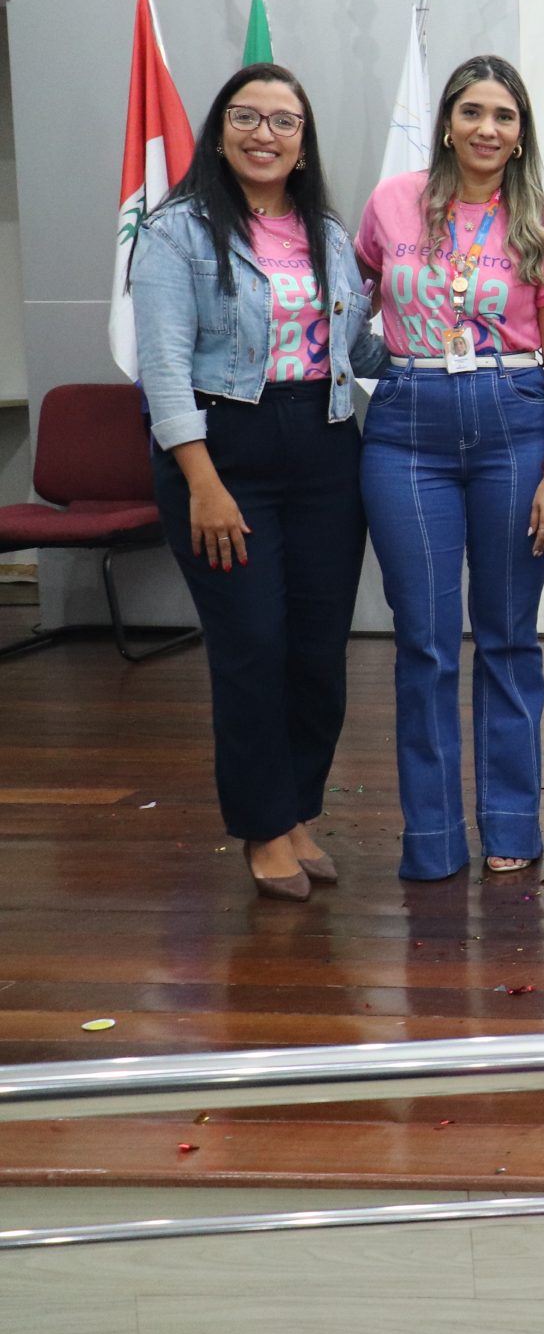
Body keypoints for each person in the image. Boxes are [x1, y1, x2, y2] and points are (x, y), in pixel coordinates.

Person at [128, 64, 386, 901]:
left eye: (283, 121)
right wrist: (202, 481)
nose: (264, 134)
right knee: (252, 647)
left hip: (326, 449)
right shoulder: (176, 233)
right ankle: (263, 827)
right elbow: (164, 369)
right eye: (247, 117)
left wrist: (450, 329)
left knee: (317, 650)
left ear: (304, 144)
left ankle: (297, 809)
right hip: (222, 451)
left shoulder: (329, 236)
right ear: (219, 131)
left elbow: (357, 349)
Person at [356, 56, 544, 882]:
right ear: (448, 123)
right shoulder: (393, 203)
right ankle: (432, 837)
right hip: (407, 431)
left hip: (513, 427)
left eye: (505, 115)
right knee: (423, 641)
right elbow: (350, 303)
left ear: (521, 134)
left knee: (508, 634)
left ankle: (512, 823)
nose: (488, 128)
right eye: (473, 112)